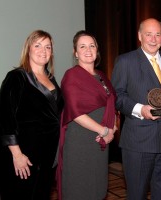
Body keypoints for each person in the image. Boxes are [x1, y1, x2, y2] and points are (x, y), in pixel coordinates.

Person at [111, 18, 161, 200]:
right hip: (138, 143)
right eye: (149, 34)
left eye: (157, 34)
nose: (153, 39)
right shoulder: (125, 61)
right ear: (140, 36)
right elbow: (117, 96)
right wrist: (140, 109)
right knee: (137, 195)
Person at [0, 30, 64, 200]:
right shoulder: (16, 77)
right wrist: (17, 155)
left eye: (48, 47)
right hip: (24, 155)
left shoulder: (51, 78)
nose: (43, 50)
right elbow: (6, 120)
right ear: (28, 49)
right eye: (38, 45)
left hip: (47, 155)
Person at [56, 30, 117, 200]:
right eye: (82, 46)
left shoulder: (102, 76)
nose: (88, 50)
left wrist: (113, 129)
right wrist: (104, 131)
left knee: (97, 188)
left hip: (100, 142)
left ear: (97, 50)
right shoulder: (71, 76)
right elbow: (75, 113)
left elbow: (112, 106)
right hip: (80, 142)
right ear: (75, 53)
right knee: (79, 188)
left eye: (92, 46)